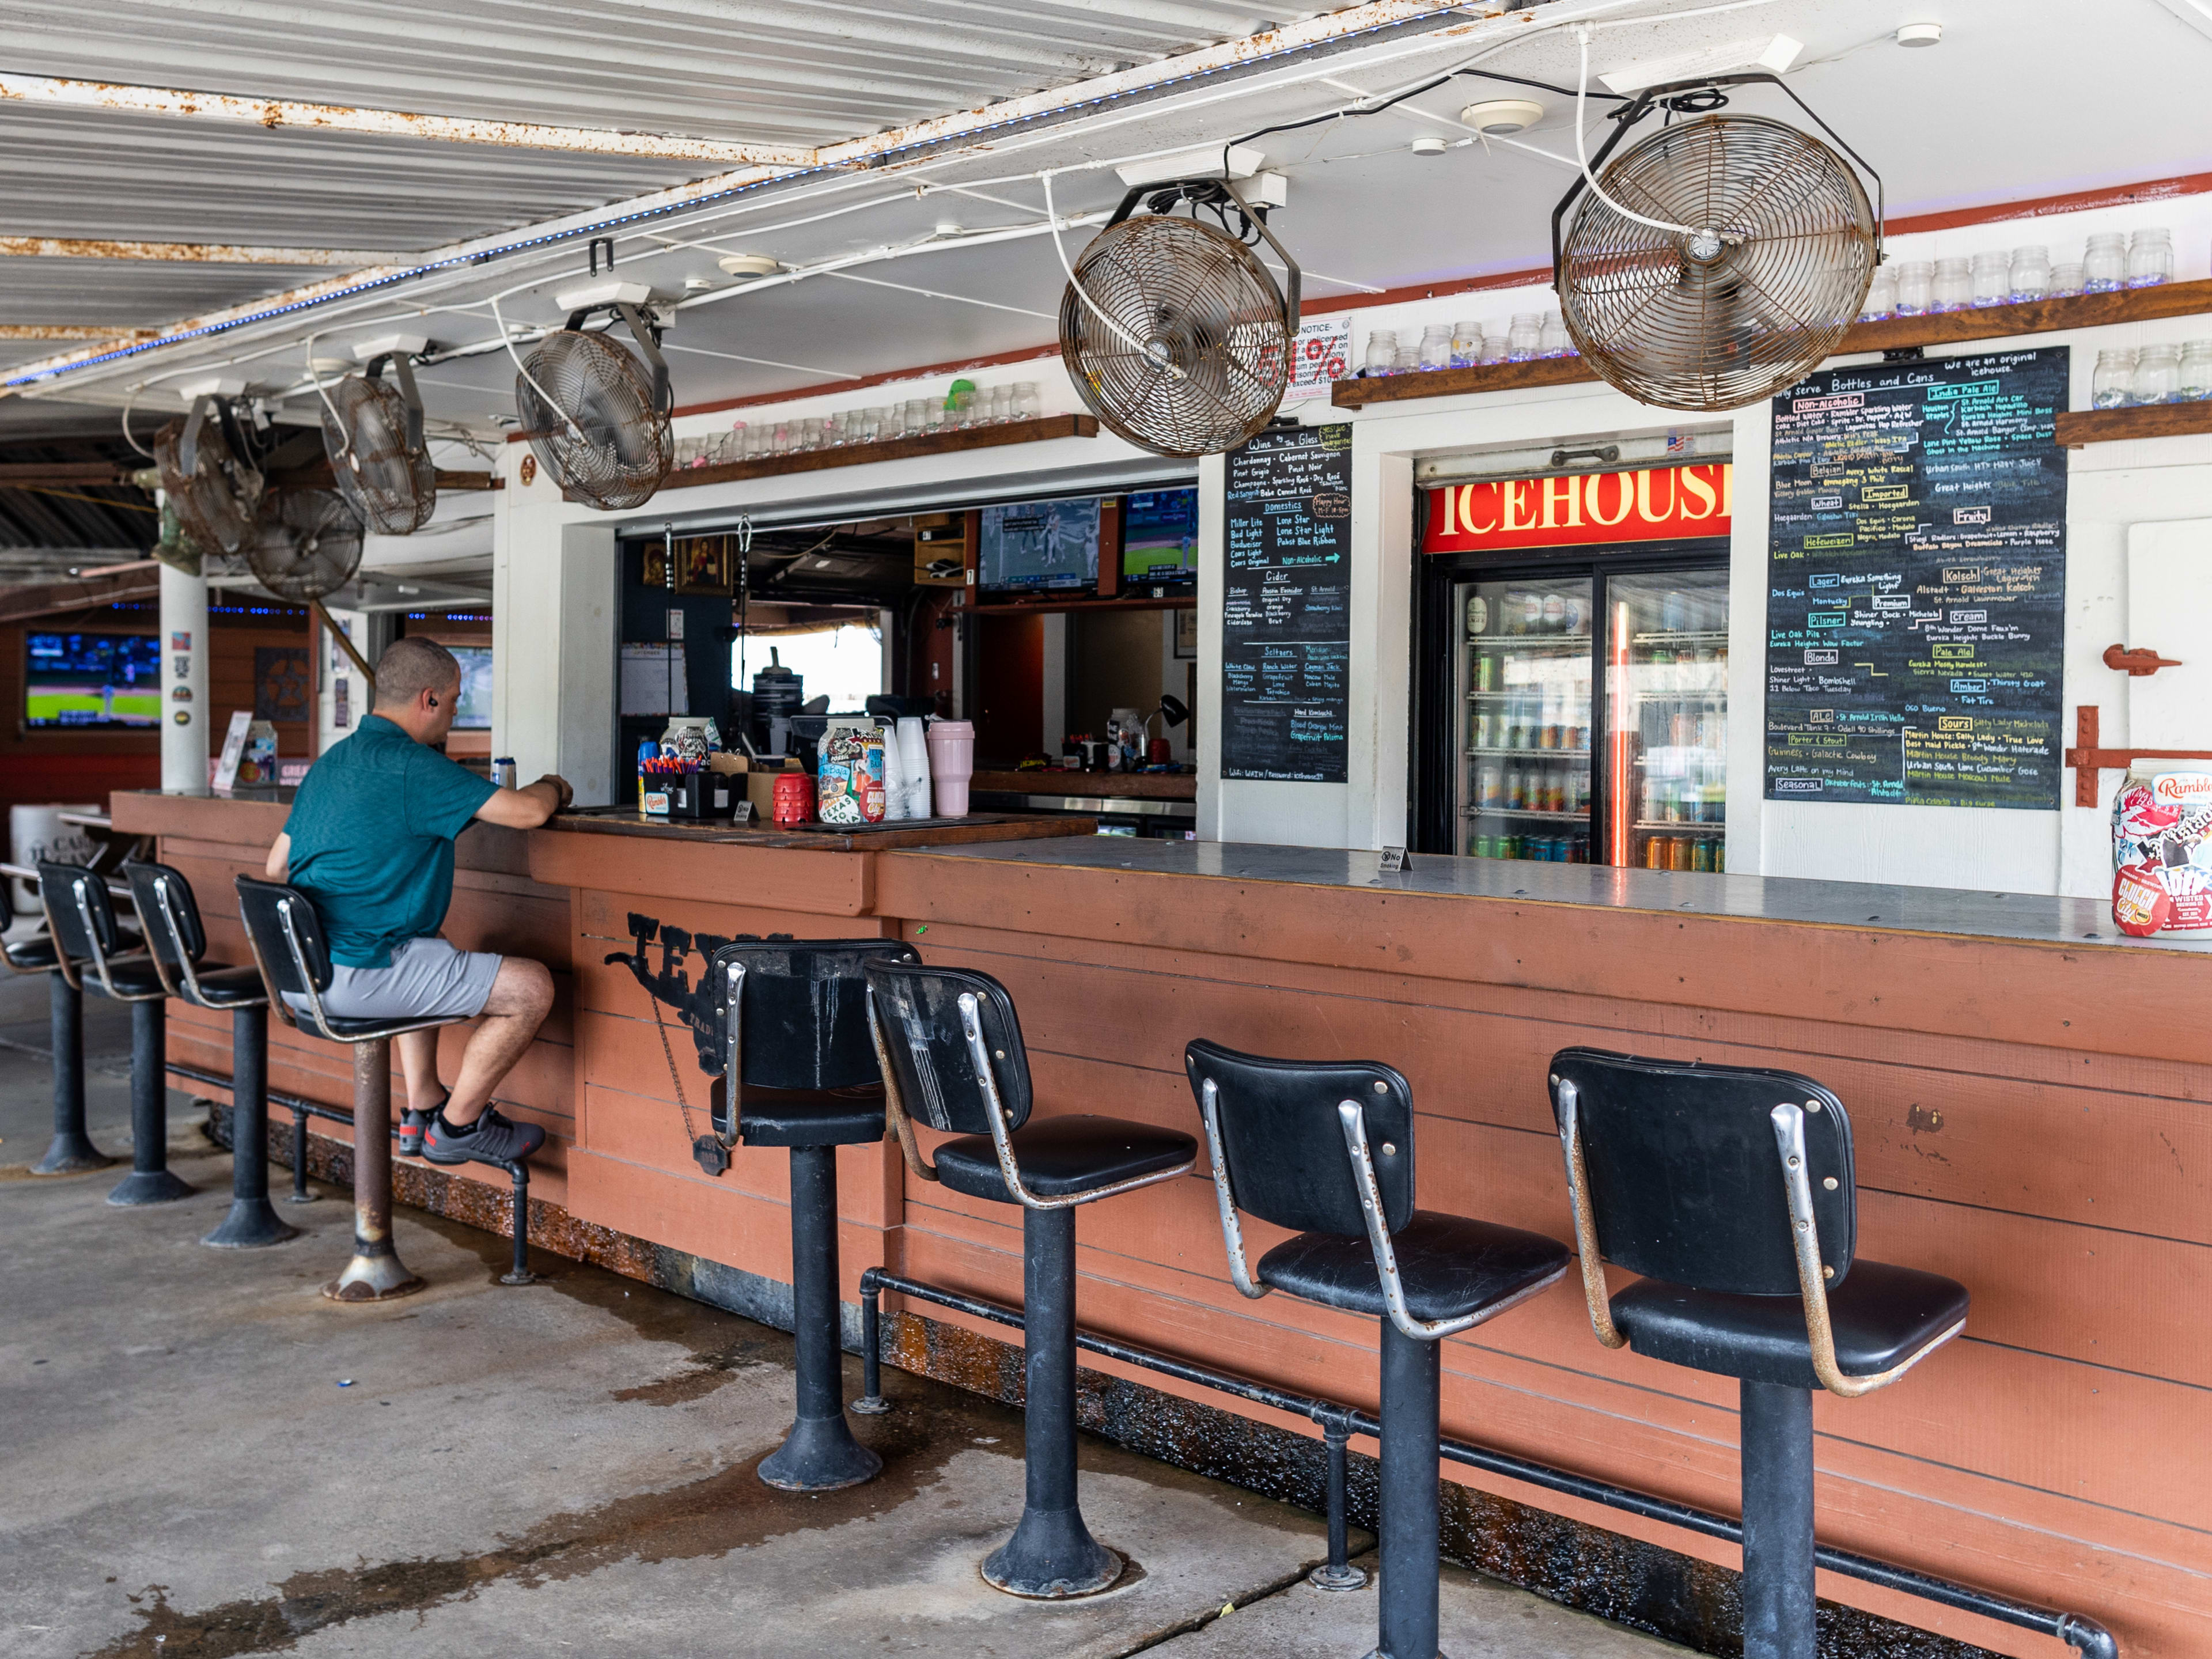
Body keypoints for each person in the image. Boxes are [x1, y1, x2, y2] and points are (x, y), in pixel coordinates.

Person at [263, 637, 571, 1167]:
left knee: (428, 945)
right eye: (452, 702)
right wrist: (553, 784)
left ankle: (422, 1105)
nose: (453, 715)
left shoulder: (332, 762)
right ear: (427, 700)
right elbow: (528, 814)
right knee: (531, 988)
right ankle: (458, 1128)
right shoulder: (412, 766)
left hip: (304, 976)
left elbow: (275, 868)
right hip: (354, 977)